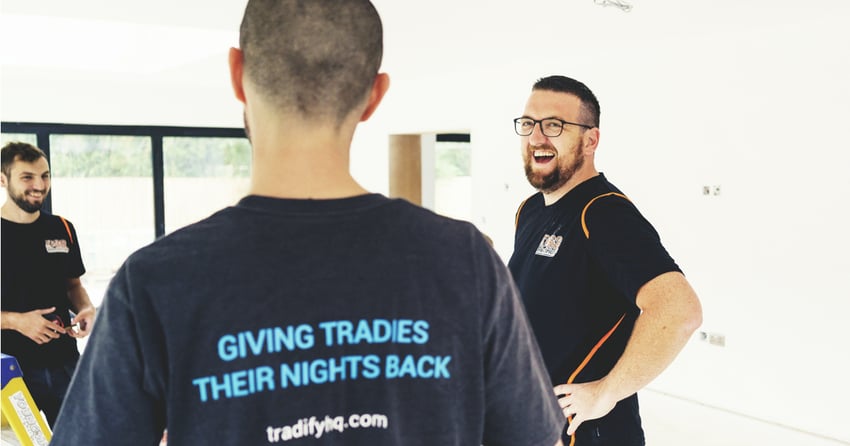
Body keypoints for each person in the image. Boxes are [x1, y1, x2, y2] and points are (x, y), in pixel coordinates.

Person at [50, 1, 565, 445]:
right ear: (374, 96)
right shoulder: (466, 260)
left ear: (236, 74)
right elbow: (533, 436)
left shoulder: (154, 281)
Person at [508, 75, 703, 446]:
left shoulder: (603, 212)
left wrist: (605, 392)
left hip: (594, 435)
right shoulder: (530, 211)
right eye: (529, 124)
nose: (536, 137)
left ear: (590, 139)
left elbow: (680, 311)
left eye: (554, 125)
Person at [0, 141, 96, 427]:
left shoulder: (62, 228)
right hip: (11, 372)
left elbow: (73, 286)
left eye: (45, 175)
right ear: (3, 179)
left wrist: (87, 308)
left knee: (80, 436)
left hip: (65, 363)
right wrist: (17, 322)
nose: (39, 185)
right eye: (27, 177)